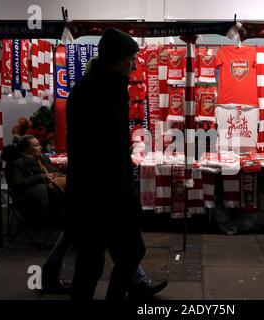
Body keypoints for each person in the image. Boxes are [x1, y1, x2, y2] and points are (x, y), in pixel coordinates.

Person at [65, 28, 167, 301]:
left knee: (119, 254)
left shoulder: (109, 88)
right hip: (96, 193)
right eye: (130, 58)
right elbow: (93, 151)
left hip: (109, 190)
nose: (134, 64)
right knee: (93, 262)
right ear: (116, 58)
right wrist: (118, 191)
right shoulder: (92, 91)